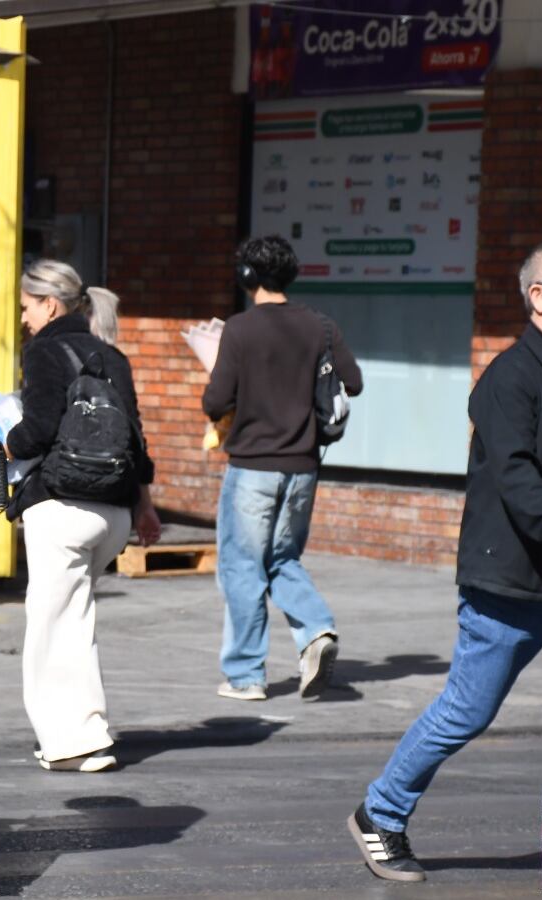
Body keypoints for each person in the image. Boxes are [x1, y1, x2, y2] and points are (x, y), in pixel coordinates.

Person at [349, 233, 542, 883]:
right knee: (466, 712)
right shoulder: (510, 379)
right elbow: (518, 477)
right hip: (514, 584)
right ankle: (380, 813)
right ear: (538, 298)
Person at [4, 259, 160, 773]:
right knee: (75, 621)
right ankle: (87, 728)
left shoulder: (46, 351)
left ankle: (73, 742)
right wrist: (144, 505)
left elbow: (40, 430)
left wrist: (5, 439)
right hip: (112, 511)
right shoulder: (111, 354)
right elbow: (135, 437)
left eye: (27, 307)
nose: (24, 318)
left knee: (52, 628)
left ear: (49, 304)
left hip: (62, 504)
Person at [201, 235, 363, 702]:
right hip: (304, 467)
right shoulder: (321, 327)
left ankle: (246, 676)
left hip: (252, 466)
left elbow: (216, 402)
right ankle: (316, 630)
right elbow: (353, 381)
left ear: (248, 277)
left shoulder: (240, 329)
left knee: (241, 568)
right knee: (282, 558)